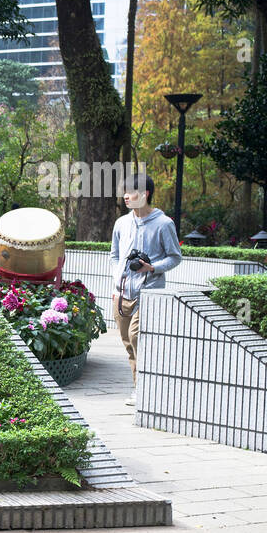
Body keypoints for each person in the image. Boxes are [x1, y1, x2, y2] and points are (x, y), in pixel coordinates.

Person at [109, 172, 182, 406]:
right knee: (128, 343)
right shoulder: (121, 223)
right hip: (122, 295)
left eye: (129, 192)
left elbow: (175, 257)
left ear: (145, 194)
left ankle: (146, 391)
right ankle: (139, 388)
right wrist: (116, 280)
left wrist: (152, 268)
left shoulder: (164, 224)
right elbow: (115, 256)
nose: (125, 196)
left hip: (149, 293)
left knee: (137, 336)